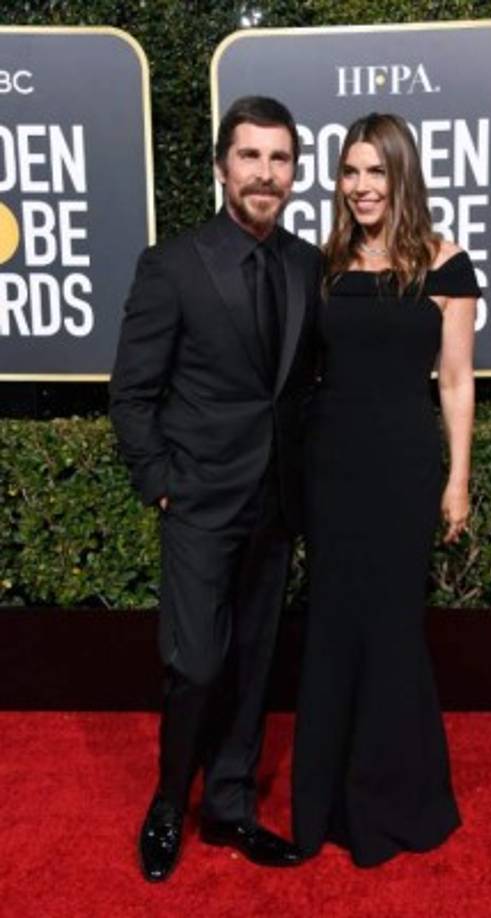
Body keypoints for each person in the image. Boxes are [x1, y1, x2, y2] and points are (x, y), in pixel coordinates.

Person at [109, 96, 321, 881]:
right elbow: (131, 392)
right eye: (250, 156)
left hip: (275, 503)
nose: (265, 174)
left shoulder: (305, 264)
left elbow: (301, 389)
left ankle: (230, 806)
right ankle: (170, 801)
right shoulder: (173, 264)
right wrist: (162, 485)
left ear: (294, 172)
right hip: (199, 501)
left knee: (255, 662)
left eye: (279, 159)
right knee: (197, 661)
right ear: (221, 166)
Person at [292, 113, 480, 867]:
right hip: (331, 466)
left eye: (377, 171)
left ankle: (397, 798)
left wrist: (457, 477)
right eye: (351, 172)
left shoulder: (446, 263)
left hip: (403, 467)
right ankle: (328, 800)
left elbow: (458, 380)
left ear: (402, 175)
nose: (363, 186)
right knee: (334, 624)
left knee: (394, 627)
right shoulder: (324, 263)